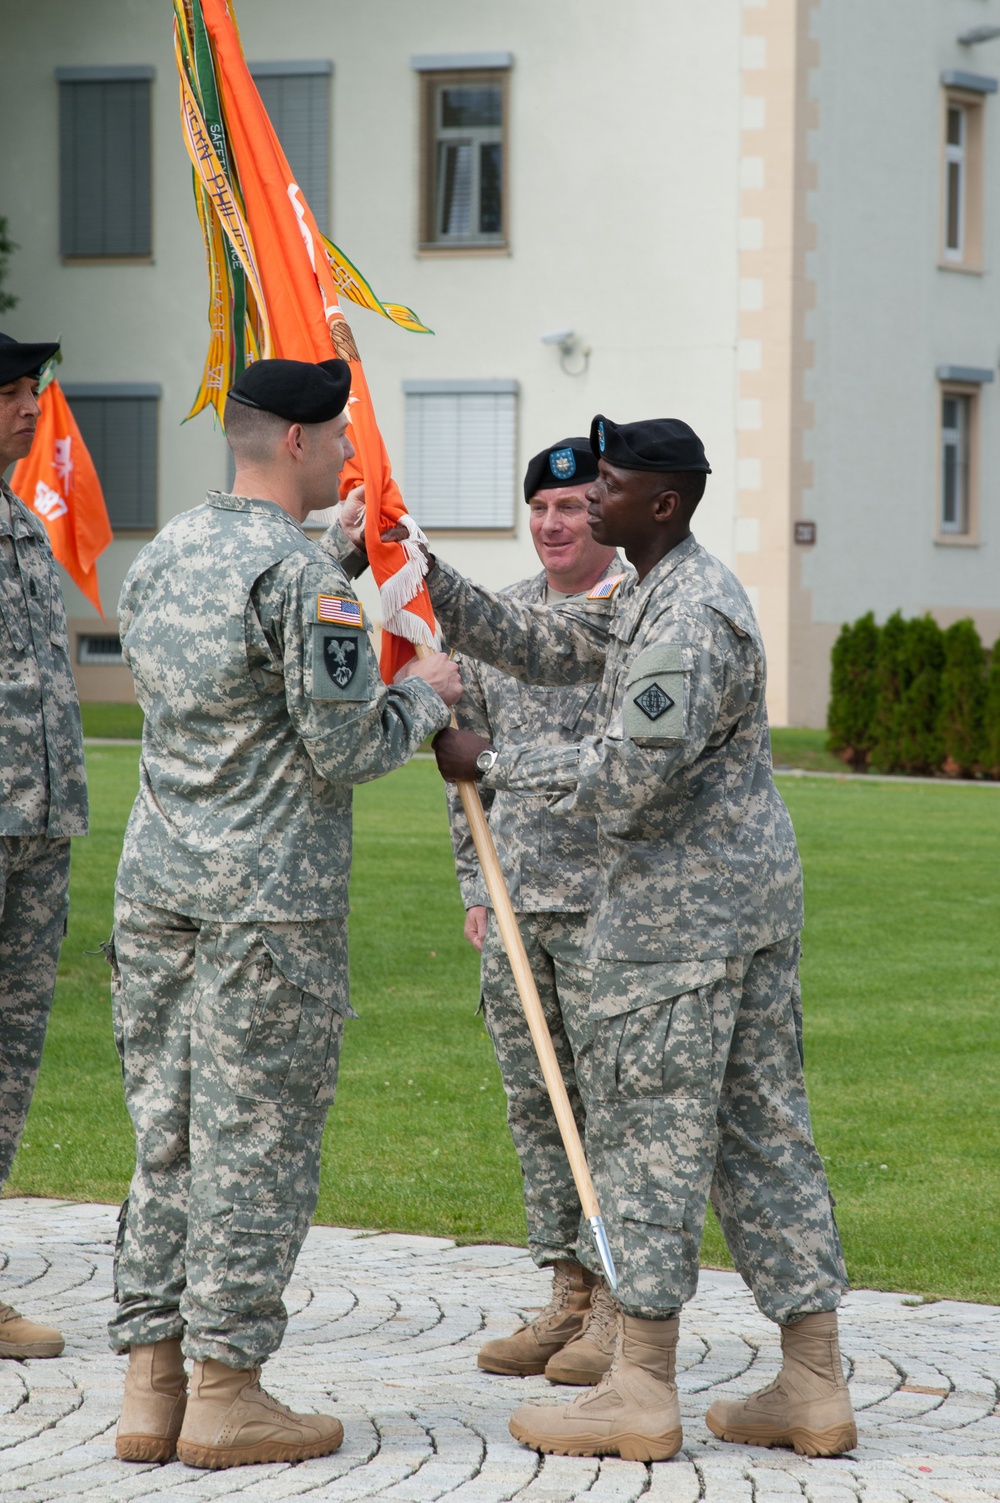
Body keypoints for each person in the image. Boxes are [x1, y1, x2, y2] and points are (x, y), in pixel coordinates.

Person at [425, 414, 856, 1462]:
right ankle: (812, 1383)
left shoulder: (685, 617)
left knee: (649, 1140)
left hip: (680, 922)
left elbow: (625, 778)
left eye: (607, 486)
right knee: (764, 1137)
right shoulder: (649, 595)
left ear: (660, 504)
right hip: (727, 907)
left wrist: (491, 763)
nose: (588, 500)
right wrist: (417, 570)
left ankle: (642, 1386)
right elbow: (545, 642)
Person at [108, 356, 461, 1471]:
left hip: (160, 881)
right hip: (269, 900)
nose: (354, 457)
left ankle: (148, 1385)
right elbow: (347, 743)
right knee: (254, 1141)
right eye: (344, 438)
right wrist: (423, 697)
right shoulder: (302, 583)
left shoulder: (166, 553)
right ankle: (228, 1393)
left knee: (165, 1135)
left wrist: (338, 561)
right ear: (299, 444)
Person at [446, 437, 623, 1387]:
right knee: (536, 1105)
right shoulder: (503, 619)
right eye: (542, 509)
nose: (555, 525)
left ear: (607, 511)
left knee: (611, 1108)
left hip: (611, 906)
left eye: (575, 507)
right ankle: (564, 1288)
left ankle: (616, 1304)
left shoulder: (631, 618)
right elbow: (462, 763)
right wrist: (476, 882)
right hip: (517, 903)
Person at [0, 332, 88, 1361]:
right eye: (16, 393)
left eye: (31, 391)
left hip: (35, 833)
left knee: (10, 1065)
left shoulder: (20, 522)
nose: (32, 408)